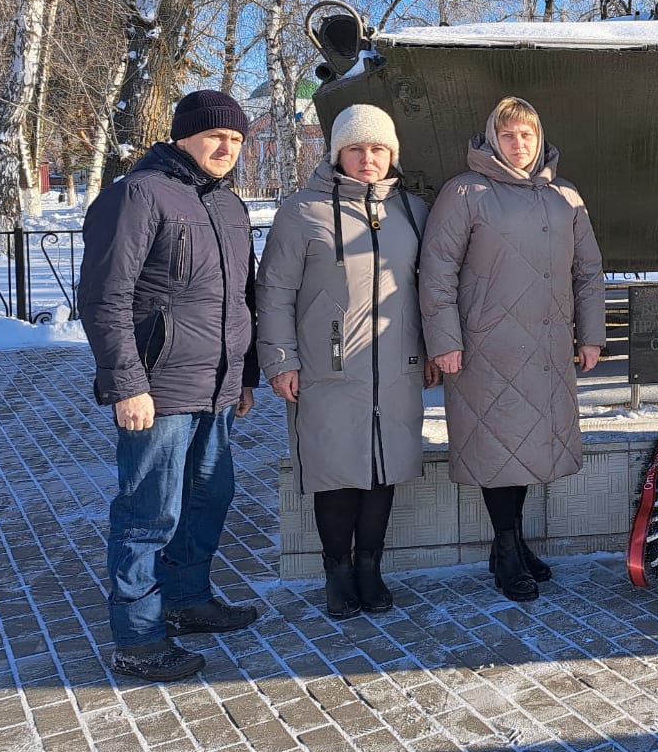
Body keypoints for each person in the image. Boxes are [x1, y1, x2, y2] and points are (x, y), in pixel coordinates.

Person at [77, 89, 261, 682]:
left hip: (218, 388)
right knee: (148, 512)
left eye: (235, 139)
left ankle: (186, 599)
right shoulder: (137, 194)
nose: (226, 147)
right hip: (157, 388)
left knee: (210, 498)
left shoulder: (229, 206)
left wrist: (245, 377)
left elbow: (243, 301)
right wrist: (126, 383)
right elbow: (106, 298)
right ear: (183, 135)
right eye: (216, 136)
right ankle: (138, 635)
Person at [419, 97, 605, 604]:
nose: (518, 145)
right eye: (508, 136)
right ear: (491, 140)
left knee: (526, 448)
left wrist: (590, 335)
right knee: (496, 448)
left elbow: (588, 272)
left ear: (539, 138)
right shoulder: (466, 192)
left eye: (526, 135)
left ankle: (515, 541)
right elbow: (437, 272)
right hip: (486, 348)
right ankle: (504, 550)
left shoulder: (565, 196)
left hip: (545, 347)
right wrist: (445, 342)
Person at [256, 105, 438, 620]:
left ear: (393, 154)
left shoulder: (412, 211)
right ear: (337, 153)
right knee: (334, 471)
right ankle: (337, 572)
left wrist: (426, 350)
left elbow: (428, 288)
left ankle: (369, 569)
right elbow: (274, 292)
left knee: (384, 468)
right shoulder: (302, 211)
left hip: (395, 366)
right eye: (357, 148)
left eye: (379, 148)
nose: (368, 158)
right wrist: (280, 360)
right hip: (326, 367)